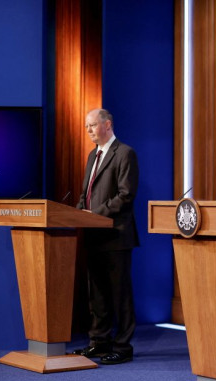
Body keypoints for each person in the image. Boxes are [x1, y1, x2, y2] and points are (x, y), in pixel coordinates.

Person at [72, 108, 140, 365]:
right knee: (97, 293)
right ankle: (98, 342)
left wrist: (94, 214)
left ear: (107, 124)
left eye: (92, 125)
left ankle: (123, 347)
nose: (88, 130)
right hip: (93, 234)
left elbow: (126, 195)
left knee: (119, 294)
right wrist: (79, 214)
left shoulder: (125, 153)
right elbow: (84, 194)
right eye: (86, 126)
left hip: (116, 235)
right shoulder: (92, 155)